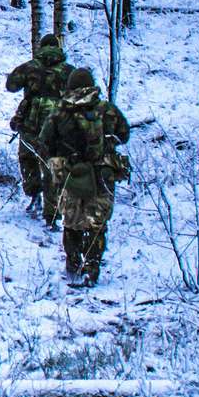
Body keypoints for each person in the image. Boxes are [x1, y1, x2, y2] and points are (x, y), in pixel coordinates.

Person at [38, 67, 131, 286]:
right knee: (96, 223)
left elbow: (44, 142)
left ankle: (73, 265)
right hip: (102, 174)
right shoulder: (107, 109)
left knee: (71, 221)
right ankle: (92, 267)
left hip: (71, 174)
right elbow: (124, 134)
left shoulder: (60, 112)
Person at [6, 33, 74, 224]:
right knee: (53, 165)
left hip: (30, 124)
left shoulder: (29, 67)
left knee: (27, 158)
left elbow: (11, 85)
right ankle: (52, 213)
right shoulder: (69, 71)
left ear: (41, 47)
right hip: (58, 126)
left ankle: (34, 194)